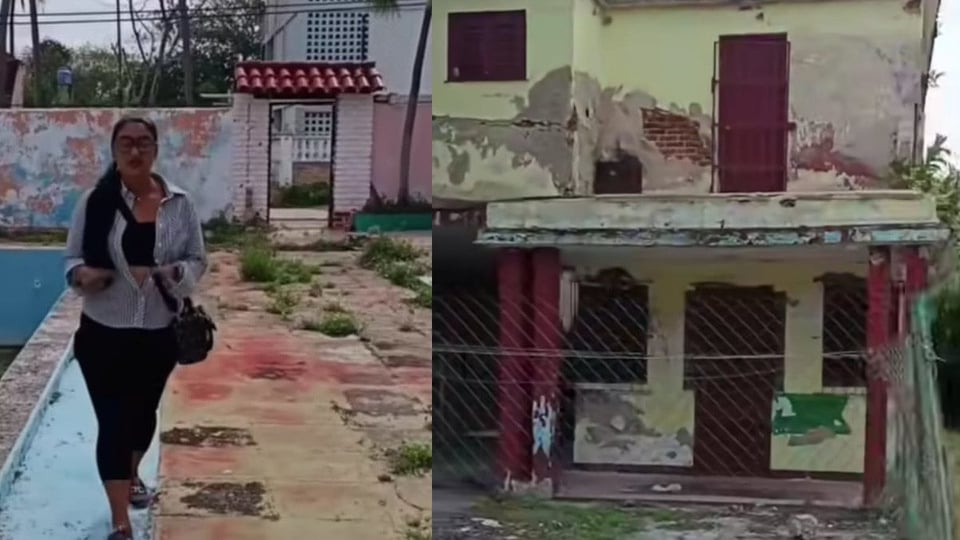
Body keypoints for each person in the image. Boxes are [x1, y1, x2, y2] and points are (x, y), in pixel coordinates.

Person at [63, 116, 207, 540]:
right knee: (112, 422)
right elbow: (70, 259)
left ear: (156, 149)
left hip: (158, 331)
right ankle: (119, 519)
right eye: (126, 143)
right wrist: (82, 276)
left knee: (142, 416)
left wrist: (173, 273)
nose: (135, 151)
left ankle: (132, 473)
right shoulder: (95, 201)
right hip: (103, 331)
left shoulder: (179, 204)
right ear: (113, 150)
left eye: (144, 143)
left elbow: (198, 259)